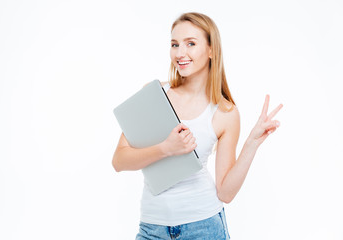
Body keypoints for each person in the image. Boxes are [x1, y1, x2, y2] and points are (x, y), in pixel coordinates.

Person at [112, 12, 283, 240]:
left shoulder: (225, 113)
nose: (180, 53)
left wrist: (252, 143)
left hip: (203, 228)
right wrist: (166, 148)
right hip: (152, 229)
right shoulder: (154, 94)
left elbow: (225, 192)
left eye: (190, 43)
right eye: (175, 44)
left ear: (211, 50)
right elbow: (119, 161)